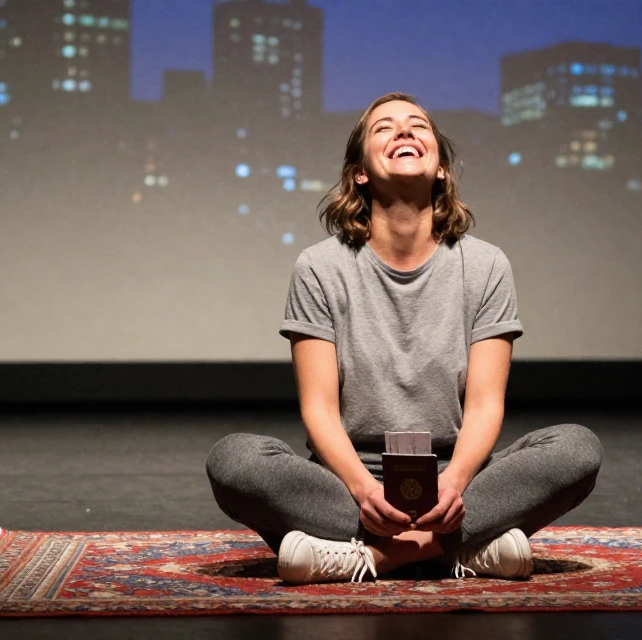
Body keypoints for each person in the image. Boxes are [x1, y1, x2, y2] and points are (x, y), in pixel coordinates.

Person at [206, 92, 602, 585]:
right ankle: (462, 551)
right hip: (349, 480)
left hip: (457, 478)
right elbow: (320, 410)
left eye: (418, 126)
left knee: (575, 449)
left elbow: (483, 406)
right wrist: (363, 491)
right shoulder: (319, 267)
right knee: (234, 460)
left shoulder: (486, 266)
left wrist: (453, 485)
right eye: (384, 128)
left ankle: (375, 557)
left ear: (440, 169)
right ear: (360, 173)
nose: (404, 132)